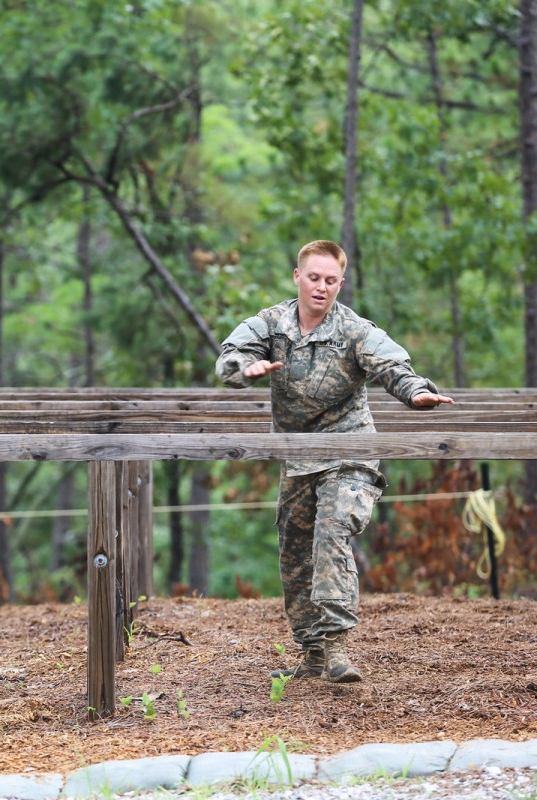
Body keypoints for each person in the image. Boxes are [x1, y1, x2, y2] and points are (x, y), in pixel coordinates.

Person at [214, 240, 453, 683]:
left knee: (331, 533)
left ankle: (338, 645)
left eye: (330, 281)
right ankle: (313, 652)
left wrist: (414, 391)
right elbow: (231, 353)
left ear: (340, 283)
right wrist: (243, 369)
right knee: (295, 551)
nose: (321, 288)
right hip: (298, 456)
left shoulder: (355, 330)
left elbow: (392, 364)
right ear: (298, 277)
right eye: (314, 278)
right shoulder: (272, 323)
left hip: (350, 451)